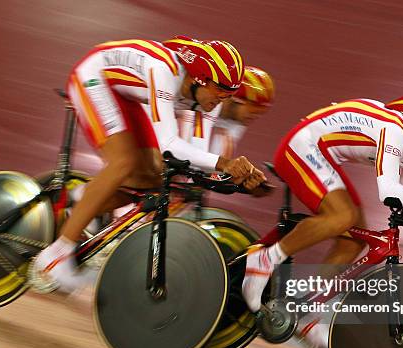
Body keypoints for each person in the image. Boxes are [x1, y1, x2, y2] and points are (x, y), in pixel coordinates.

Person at [241, 96, 403, 348]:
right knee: (342, 217)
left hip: (324, 155)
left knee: (353, 242)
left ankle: (306, 313)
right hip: (301, 147)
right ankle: (265, 259)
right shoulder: (396, 130)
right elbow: (388, 191)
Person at [32, 36, 266, 292]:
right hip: (94, 78)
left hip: (127, 94)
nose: (224, 99)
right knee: (124, 163)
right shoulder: (165, 71)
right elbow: (168, 144)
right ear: (200, 79)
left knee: (156, 178)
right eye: (221, 90)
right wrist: (225, 164)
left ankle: (84, 198)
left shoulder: (208, 98)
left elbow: (195, 159)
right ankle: (54, 256)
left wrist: (239, 178)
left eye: (230, 94)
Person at [177, 65, 275, 158]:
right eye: (254, 110)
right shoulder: (208, 102)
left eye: (261, 112)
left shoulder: (239, 121)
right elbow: (193, 145)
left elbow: (221, 157)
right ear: (238, 99)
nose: (255, 117)